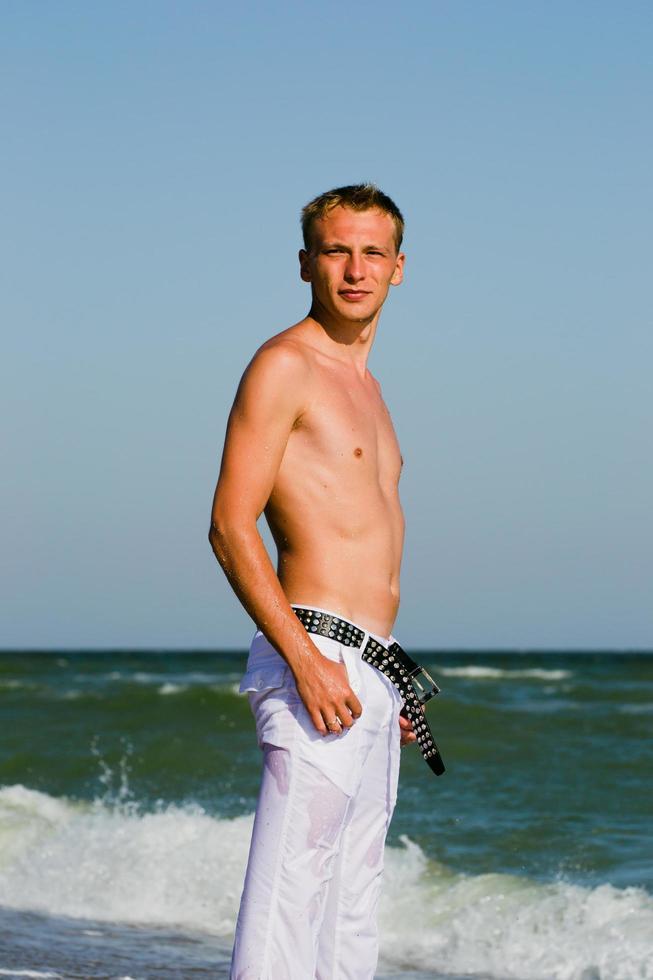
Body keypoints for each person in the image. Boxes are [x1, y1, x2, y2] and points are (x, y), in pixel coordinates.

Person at [208, 183, 418, 980]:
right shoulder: (284, 365)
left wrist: (386, 674)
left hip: (367, 667)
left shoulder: (368, 388)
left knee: (350, 908)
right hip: (313, 663)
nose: (354, 269)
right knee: (287, 905)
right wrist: (305, 660)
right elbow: (230, 525)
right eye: (336, 251)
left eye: (371, 253)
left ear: (399, 269)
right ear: (305, 263)